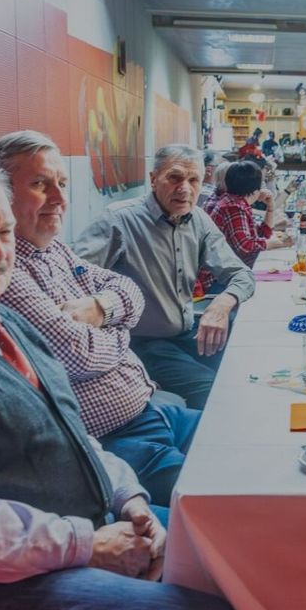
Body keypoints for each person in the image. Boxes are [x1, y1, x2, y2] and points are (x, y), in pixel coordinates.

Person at [0, 159, 253, 610]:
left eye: (2, 232)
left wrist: (130, 498)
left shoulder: (2, 321)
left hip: (82, 523)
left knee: (228, 552)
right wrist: (83, 544)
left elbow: (73, 431)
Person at [0, 131, 201, 507]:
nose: (60, 198)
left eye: (62, 184)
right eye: (40, 184)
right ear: (0, 197)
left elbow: (129, 288)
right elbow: (76, 354)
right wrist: (122, 334)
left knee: (245, 438)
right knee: (218, 494)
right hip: (116, 440)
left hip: (152, 409)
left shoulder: (53, 251)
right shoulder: (6, 272)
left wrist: (101, 311)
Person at [75, 145, 255, 411]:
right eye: (174, 178)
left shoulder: (198, 219)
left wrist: (223, 302)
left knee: (246, 371)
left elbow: (241, 274)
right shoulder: (118, 220)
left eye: (193, 180)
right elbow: (72, 281)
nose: (185, 188)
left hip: (187, 332)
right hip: (143, 345)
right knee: (216, 394)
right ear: (153, 179)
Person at [198, 161, 291, 293]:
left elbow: (262, 233)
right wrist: (273, 244)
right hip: (218, 280)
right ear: (255, 187)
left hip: (226, 275)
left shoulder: (236, 202)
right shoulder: (233, 207)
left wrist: (270, 207)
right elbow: (245, 245)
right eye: (262, 183)